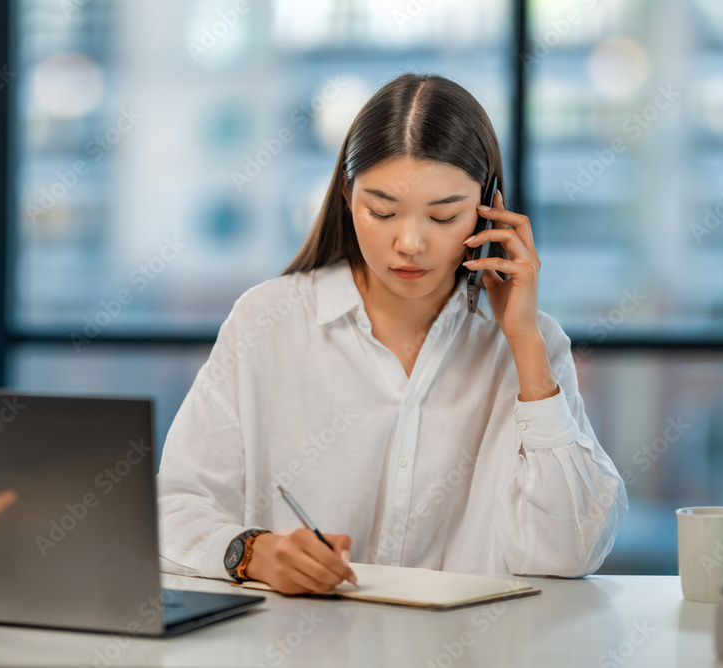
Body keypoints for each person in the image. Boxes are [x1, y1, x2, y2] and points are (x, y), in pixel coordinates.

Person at [157, 73, 627, 595]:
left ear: (490, 205)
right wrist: (253, 552)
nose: (410, 243)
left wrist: (523, 344)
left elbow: (570, 551)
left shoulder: (530, 345)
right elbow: (172, 508)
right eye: (382, 211)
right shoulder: (266, 323)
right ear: (346, 194)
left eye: (444, 215)